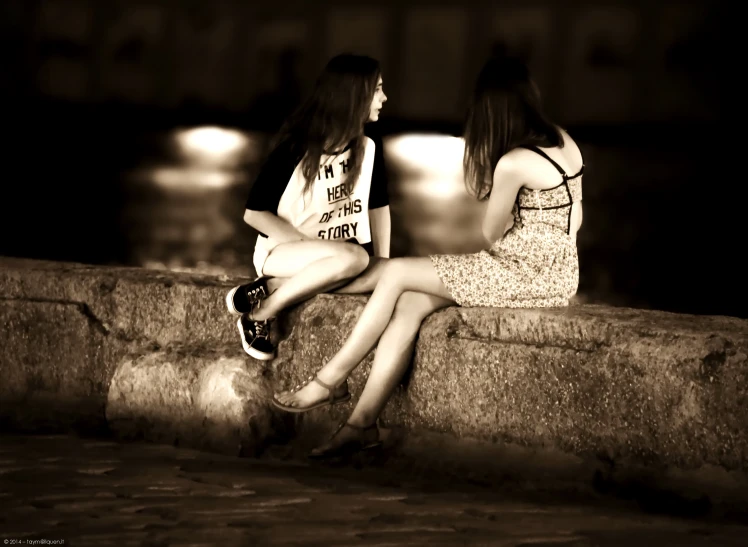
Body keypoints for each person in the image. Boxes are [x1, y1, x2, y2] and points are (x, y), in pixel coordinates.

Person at [271, 55, 585, 459]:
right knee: (411, 302)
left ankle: (329, 379)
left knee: (397, 271)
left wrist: (498, 196)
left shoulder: (513, 162)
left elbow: (490, 232)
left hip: (522, 272)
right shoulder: (563, 140)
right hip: (558, 271)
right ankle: (360, 426)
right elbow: (576, 218)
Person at [225, 54, 391, 361]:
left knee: (382, 270)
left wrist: (382, 261)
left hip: (335, 257)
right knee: (355, 257)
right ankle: (261, 314)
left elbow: (378, 207)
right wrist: (313, 246)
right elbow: (254, 213)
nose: (384, 98)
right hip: (283, 252)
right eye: (377, 90)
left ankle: (272, 288)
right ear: (355, 96)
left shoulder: (367, 147)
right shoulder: (297, 147)